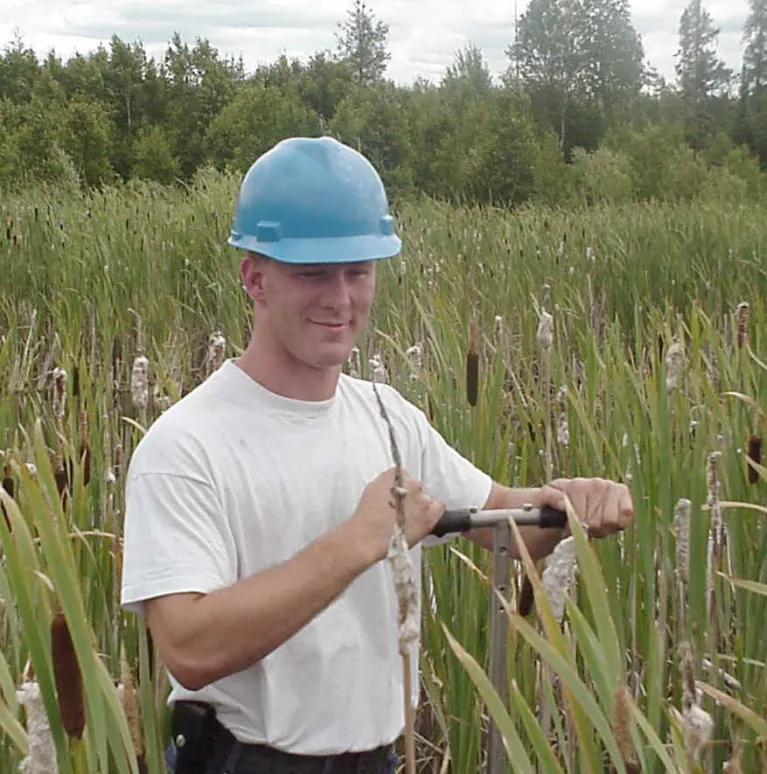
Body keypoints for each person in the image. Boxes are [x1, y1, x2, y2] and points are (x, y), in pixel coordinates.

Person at [120, 136, 633, 774]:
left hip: (380, 759)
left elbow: (500, 521)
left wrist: (564, 504)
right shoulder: (186, 444)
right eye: (313, 274)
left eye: (357, 271)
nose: (341, 298)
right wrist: (359, 541)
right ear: (254, 276)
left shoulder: (388, 417)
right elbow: (188, 648)